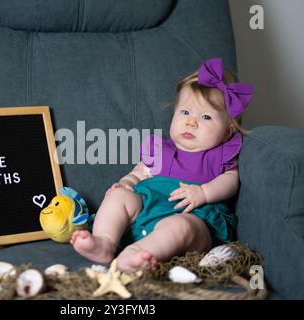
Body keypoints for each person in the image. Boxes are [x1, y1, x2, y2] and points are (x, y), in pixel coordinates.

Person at [70, 58, 253, 273]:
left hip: (194, 217)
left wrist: (203, 193)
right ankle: (104, 242)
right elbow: (139, 173)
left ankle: (134, 255)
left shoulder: (221, 154)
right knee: (118, 198)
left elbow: (230, 181)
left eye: (205, 117)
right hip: (147, 211)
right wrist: (126, 183)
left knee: (180, 226)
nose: (191, 122)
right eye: (185, 112)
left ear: (227, 131)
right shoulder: (160, 150)